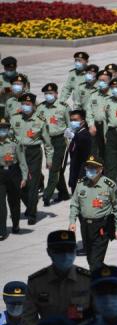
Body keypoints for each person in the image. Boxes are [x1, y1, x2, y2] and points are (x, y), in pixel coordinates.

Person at [22, 230, 92, 325]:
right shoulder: (37, 282)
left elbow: (97, 318)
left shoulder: (87, 280)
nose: (65, 255)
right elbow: (29, 320)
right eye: (59, 251)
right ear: (49, 252)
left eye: (70, 250)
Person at [68, 155, 117, 271]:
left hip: (102, 227)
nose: (90, 170)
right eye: (88, 167)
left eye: (93, 167)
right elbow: (75, 204)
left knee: (95, 262)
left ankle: (96, 285)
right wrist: (72, 221)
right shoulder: (81, 184)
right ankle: (105, 277)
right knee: (90, 258)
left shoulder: (109, 185)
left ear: (100, 169)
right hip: (85, 226)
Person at [10, 93, 53, 225]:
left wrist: (49, 158)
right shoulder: (14, 118)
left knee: (32, 184)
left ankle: (32, 214)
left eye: (28, 104)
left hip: (33, 153)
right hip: (17, 152)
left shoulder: (40, 120)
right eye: (23, 104)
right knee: (18, 183)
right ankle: (30, 206)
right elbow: (9, 136)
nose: (25, 106)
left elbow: (47, 142)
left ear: (34, 106)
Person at [38, 83, 70, 206]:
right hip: (47, 141)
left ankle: (47, 195)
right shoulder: (41, 108)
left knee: (53, 168)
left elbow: (70, 125)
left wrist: (69, 140)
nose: (48, 96)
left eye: (51, 93)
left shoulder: (63, 107)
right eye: (46, 94)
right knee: (57, 169)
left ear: (56, 94)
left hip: (60, 140)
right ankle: (64, 194)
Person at [0, 118, 27, 240]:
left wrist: (24, 177)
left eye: (5, 128)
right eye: (1, 128)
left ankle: (15, 224)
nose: (3, 130)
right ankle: (2, 230)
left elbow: (22, 161)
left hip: (13, 172)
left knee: (14, 202)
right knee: (1, 204)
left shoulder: (15, 142)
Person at [85, 69, 111, 160]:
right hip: (96, 126)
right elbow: (89, 112)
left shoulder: (113, 96)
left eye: (104, 81)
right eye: (100, 80)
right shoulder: (94, 95)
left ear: (110, 81)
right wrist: (91, 125)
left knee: (108, 150)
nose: (101, 83)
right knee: (94, 151)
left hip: (108, 126)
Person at [64, 109, 92, 193]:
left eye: (75, 120)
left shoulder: (85, 134)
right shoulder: (76, 133)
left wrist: (73, 136)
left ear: (83, 122)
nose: (72, 122)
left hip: (82, 173)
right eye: (71, 120)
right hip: (74, 172)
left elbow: (82, 140)